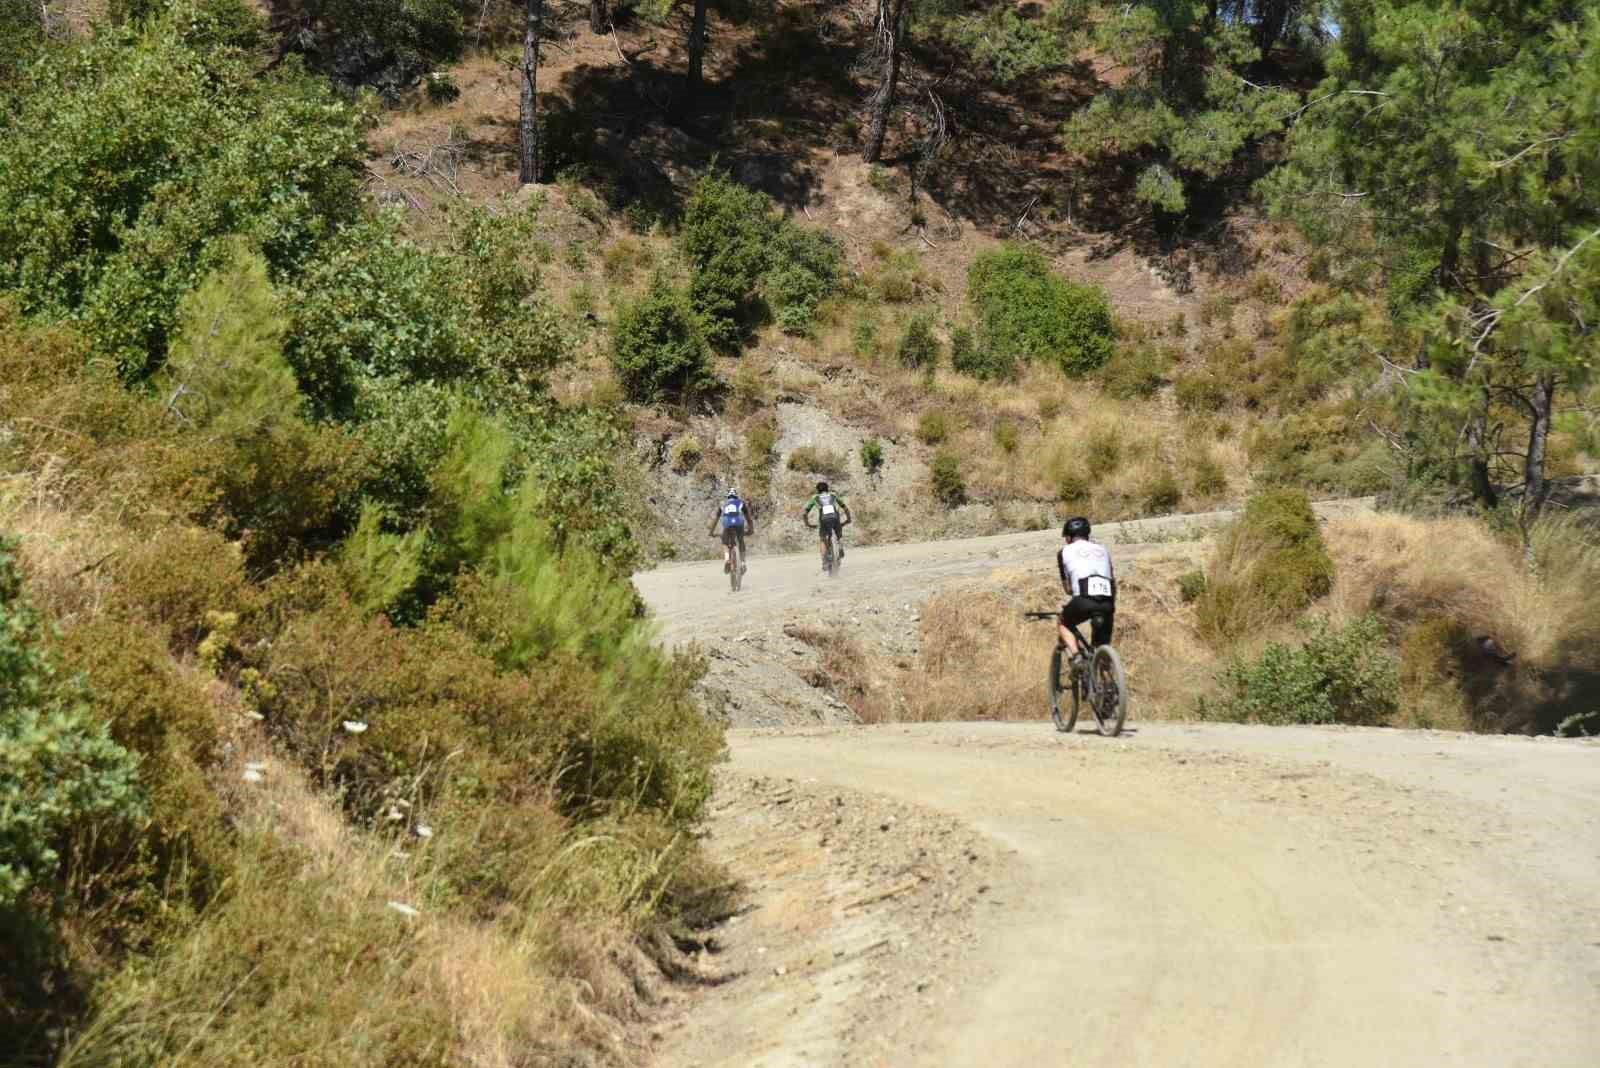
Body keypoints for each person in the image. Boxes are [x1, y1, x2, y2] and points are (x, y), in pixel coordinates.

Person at [1057, 516, 1115, 658]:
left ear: (1069, 537)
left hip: (1083, 600)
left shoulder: (1064, 552)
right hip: (1107, 602)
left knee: (1062, 622)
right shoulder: (1103, 550)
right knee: (1100, 650)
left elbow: (1068, 589)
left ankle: (1076, 656)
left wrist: (1075, 592)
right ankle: (1106, 668)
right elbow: (1112, 580)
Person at [803, 481, 852, 572]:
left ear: (817, 490)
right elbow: (845, 508)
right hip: (835, 517)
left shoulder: (815, 497)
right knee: (838, 532)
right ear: (827, 489)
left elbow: (805, 513)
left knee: (822, 539)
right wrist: (848, 519)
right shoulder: (833, 495)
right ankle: (840, 546)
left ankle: (824, 561)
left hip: (823, 519)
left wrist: (807, 523)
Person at [710, 489, 754, 575]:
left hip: (727, 524)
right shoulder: (741, 502)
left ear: (728, 497)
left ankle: (727, 560)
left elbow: (716, 520)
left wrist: (711, 532)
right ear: (736, 496)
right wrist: (751, 530)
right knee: (741, 541)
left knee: (725, 543)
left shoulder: (723, 503)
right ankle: (743, 562)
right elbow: (748, 518)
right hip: (739, 523)